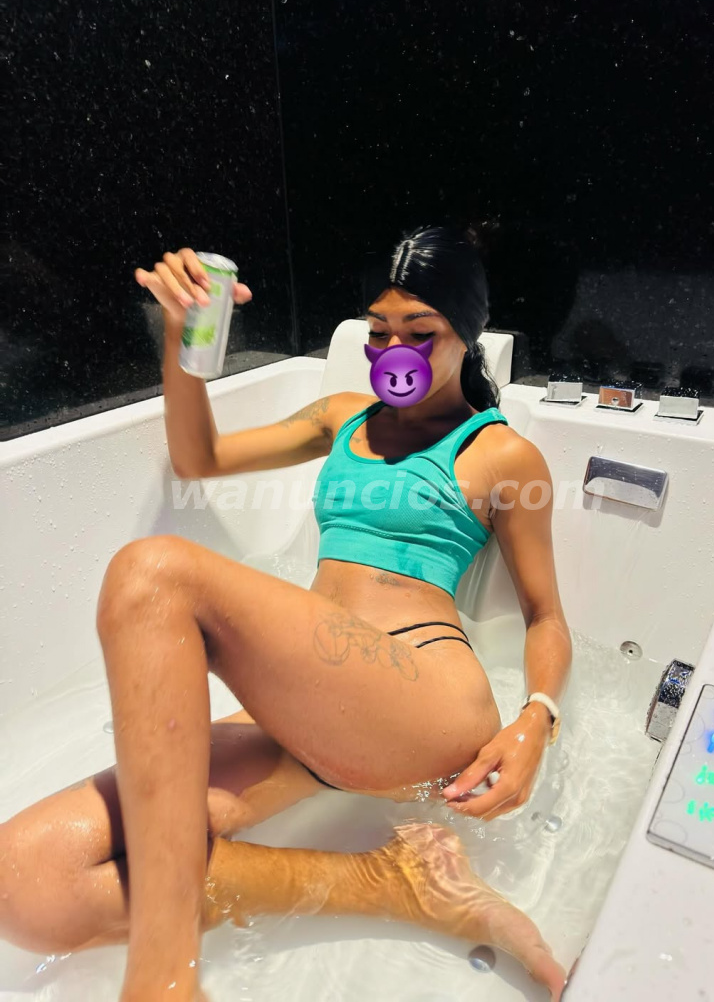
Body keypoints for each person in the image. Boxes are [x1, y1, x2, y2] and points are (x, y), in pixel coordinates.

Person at [0, 227, 572, 1002]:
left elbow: (544, 616)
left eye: (420, 333)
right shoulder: (343, 417)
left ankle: (164, 981)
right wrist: (179, 338)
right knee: (25, 879)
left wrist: (535, 720)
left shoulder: (500, 455)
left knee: (152, 574)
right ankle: (389, 883)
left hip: (420, 703)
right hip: (309, 707)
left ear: (466, 334)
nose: (392, 352)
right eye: (378, 331)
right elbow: (198, 458)